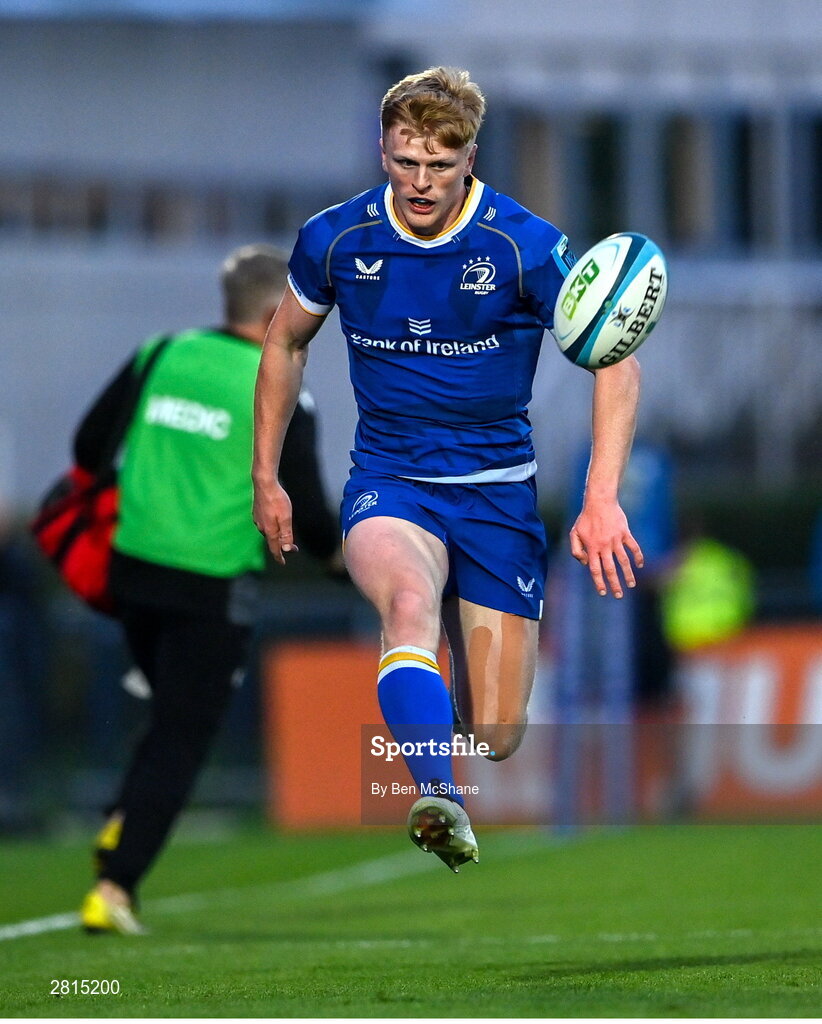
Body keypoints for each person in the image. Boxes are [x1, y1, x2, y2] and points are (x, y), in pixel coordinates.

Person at [252, 68, 643, 872]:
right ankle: (439, 797)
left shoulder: (523, 246)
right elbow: (285, 341)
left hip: (497, 496)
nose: (420, 182)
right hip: (390, 483)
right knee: (407, 607)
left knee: (498, 733)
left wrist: (601, 497)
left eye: (439, 163)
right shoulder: (337, 238)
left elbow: (616, 359)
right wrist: (267, 476)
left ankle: (455, 721)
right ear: (382, 150)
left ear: (470, 157)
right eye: (404, 162)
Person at [75, 245, 342, 933]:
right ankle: (116, 885)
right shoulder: (280, 386)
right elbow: (310, 516)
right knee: (181, 738)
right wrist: (351, 564)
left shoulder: (160, 354)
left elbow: (87, 448)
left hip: (131, 573)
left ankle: (121, 821)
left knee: (165, 716)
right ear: (271, 312)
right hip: (210, 587)